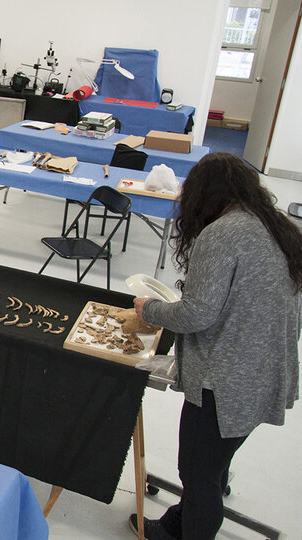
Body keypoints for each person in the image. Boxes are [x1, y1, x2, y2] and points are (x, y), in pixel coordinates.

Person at [129, 152, 301, 539]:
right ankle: (178, 521)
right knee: (212, 462)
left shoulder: (222, 233)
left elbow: (196, 316)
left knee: (197, 472)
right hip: (268, 372)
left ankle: (192, 528)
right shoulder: (279, 227)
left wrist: (150, 309)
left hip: (226, 384)